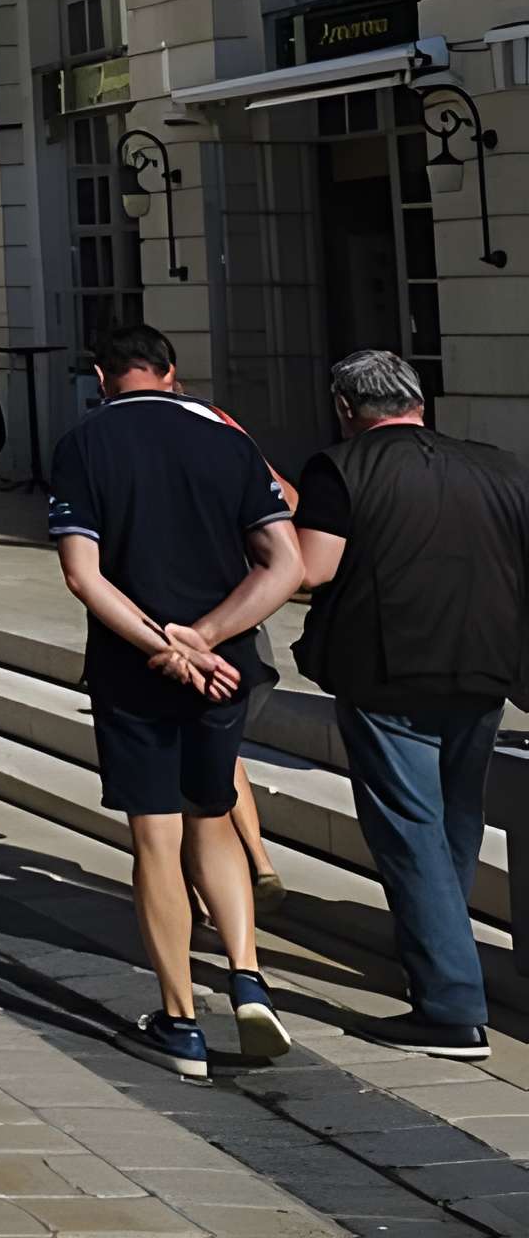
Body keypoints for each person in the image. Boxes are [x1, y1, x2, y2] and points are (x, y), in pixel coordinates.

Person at [46, 324, 302, 1079]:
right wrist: (208, 638)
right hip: (225, 666)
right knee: (214, 815)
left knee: (156, 841)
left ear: (102, 376)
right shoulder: (227, 439)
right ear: (172, 373)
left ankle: (182, 1021)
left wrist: (162, 645)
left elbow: (83, 577)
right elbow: (284, 562)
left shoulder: (84, 444)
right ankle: (248, 974)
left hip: (132, 669)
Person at [291, 347, 529, 1059]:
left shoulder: (339, 467)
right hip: (486, 664)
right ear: (420, 400)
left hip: (387, 669)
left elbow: (313, 569)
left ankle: (451, 1004)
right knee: (456, 822)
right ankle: (441, 961)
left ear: (344, 406)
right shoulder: (498, 465)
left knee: (411, 832)